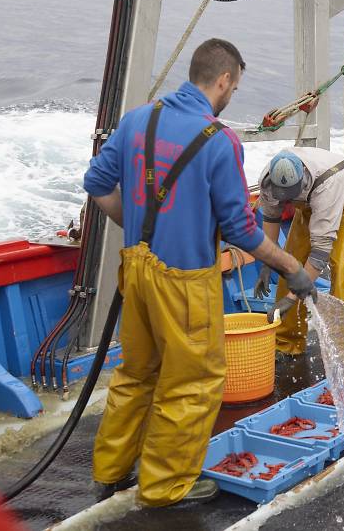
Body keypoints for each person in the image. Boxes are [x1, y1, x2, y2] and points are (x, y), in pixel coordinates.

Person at [82, 38, 316, 508]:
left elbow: (96, 183)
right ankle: (165, 487)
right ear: (225, 80)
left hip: (136, 269)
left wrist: (141, 228)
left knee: (135, 373)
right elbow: (240, 229)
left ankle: (110, 470)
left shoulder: (137, 119)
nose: (231, 95)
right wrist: (292, 266)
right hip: (185, 282)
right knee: (191, 383)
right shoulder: (219, 139)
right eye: (234, 86)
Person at [255, 147, 344, 355]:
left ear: (302, 180)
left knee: (341, 266)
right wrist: (267, 263)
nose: (286, 200)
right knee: (288, 263)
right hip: (309, 206)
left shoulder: (327, 185)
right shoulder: (268, 179)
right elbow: (271, 219)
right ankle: (286, 343)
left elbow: (320, 254)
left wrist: (291, 298)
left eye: (289, 197)